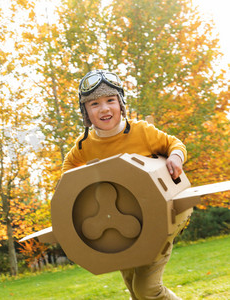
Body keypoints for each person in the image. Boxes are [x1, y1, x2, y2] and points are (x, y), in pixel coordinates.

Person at [62, 70, 186, 300]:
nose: (105, 109)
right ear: (86, 112)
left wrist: (175, 157)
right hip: (117, 230)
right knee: (134, 291)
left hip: (155, 223)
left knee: (147, 290)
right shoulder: (84, 146)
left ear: (121, 104)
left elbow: (173, 143)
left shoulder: (142, 132)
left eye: (110, 100)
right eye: (95, 104)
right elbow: (67, 171)